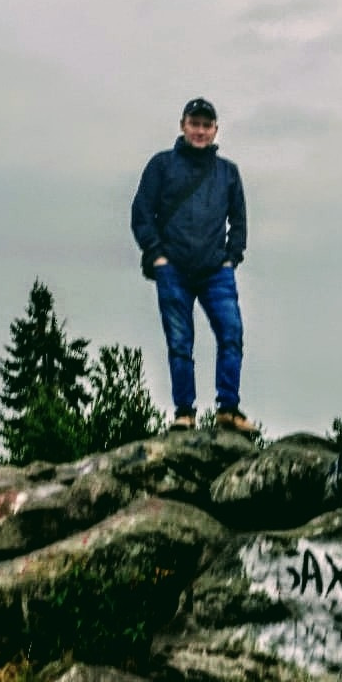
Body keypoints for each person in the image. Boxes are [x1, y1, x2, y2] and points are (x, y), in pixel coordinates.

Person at [130, 96, 256, 434]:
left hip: (216, 270)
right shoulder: (162, 165)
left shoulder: (228, 173)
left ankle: (228, 409)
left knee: (231, 334)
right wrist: (157, 255)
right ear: (183, 125)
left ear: (216, 130)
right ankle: (184, 413)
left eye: (206, 125)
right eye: (194, 124)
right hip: (173, 269)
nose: (200, 131)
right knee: (180, 343)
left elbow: (239, 221)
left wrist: (232, 258)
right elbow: (142, 213)